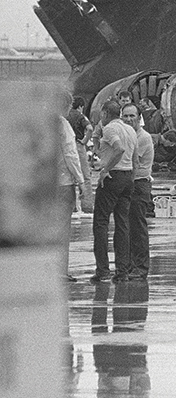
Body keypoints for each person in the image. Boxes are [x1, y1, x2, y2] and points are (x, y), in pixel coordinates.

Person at [92, 100, 138, 283]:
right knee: (122, 224)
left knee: (101, 223)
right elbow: (135, 159)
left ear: (104, 113)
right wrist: (131, 179)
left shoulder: (110, 128)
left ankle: (102, 270)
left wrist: (105, 170)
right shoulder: (131, 130)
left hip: (113, 177)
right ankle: (122, 271)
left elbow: (119, 149)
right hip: (127, 177)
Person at [122, 103, 153, 281]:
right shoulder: (127, 136)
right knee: (126, 228)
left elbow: (129, 162)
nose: (128, 119)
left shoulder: (142, 137)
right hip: (127, 184)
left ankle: (140, 267)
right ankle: (128, 266)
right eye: (125, 116)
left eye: (132, 116)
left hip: (139, 184)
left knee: (138, 227)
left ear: (138, 118)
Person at [57, 97, 85, 281]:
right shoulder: (62, 124)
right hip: (63, 184)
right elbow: (70, 154)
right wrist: (80, 179)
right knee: (62, 229)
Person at [66, 96, 93, 213]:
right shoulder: (80, 116)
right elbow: (90, 128)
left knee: (69, 176)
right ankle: (86, 205)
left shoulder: (65, 115)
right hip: (78, 145)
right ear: (81, 107)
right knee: (85, 176)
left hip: (66, 145)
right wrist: (85, 141)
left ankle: (72, 207)